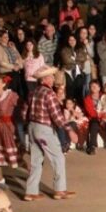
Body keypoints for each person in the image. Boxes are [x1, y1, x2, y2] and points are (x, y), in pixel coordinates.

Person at [21, 66, 75, 201]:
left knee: (36, 160)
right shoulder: (49, 94)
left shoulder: (33, 92)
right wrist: (69, 130)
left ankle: (31, 192)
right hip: (44, 129)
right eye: (51, 76)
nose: (53, 78)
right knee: (58, 158)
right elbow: (56, 116)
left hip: (32, 127)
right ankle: (60, 190)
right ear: (45, 79)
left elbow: (23, 113)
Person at [0, 74, 20, 184]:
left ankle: (32, 175)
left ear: (4, 84)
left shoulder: (11, 95)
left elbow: (21, 107)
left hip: (9, 126)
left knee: (17, 153)